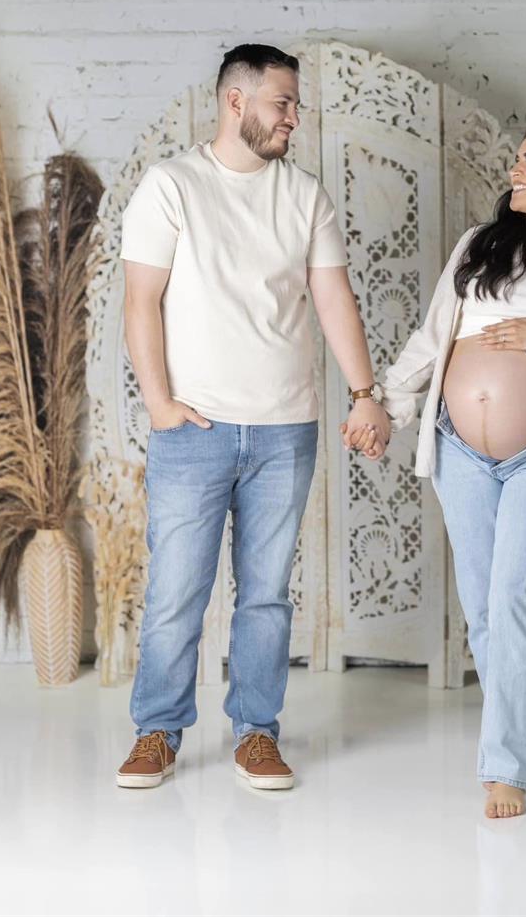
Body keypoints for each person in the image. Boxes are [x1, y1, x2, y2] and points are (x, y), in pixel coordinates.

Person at [116, 44, 390, 791]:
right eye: (283, 103)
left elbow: (334, 300)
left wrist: (366, 393)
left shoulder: (304, 196)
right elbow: (142, 301)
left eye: (295, 105)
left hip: (284, 430)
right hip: (193, 430)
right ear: (236, 103)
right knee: (177, 589)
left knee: (267, 593)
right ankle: (157, 731)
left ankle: (258, 732)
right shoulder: (171, 186)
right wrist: (161, 403)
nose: (294, 119)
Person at [352, 121, 526, 819]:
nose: (515, 170)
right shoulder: (482, 248)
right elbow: (432, 340)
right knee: (484, 610)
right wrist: (383, 405)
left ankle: (505, 767)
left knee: (513, 599)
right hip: (460, 450)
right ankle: (508, 740)